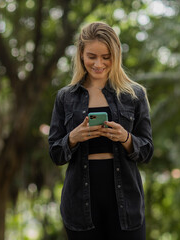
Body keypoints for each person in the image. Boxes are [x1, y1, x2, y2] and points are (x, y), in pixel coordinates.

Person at [48, 22, 153, 240]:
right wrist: (72, 138)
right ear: (81, 54)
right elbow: (55, 153)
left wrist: (125, 138)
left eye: (106, 56)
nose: (99, 63)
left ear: (116, 55)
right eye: (92, 56)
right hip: (80, 204)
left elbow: (147, 151)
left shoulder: (134, 95)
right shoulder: (65, 97)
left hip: (126, 201)